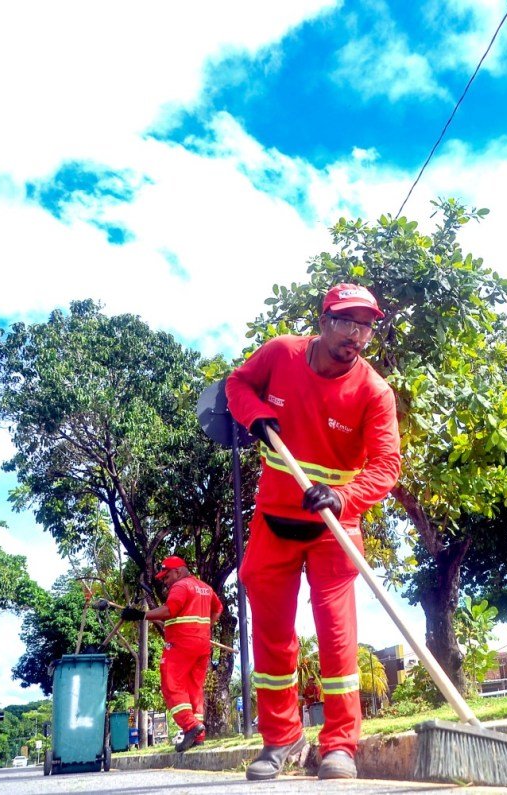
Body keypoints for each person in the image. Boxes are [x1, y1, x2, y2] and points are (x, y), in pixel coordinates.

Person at [226, 283, 401, 781]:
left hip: (333, 526)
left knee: (337, 636)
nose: (356, 334)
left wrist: (344, 496)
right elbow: (237, 385)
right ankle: (280, 739)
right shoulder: (281, 354)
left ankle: (339, 744)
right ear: (323, 321)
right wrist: (255, 415)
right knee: (273, 635)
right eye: (346, 321)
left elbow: (387, 464)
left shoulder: (373, 391)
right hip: (274, 520)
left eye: (365, 325)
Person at [121, 555, 223, 752]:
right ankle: (198, 735)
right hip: (202, 645)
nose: (165, 582)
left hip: (181, 644)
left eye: (166, 576)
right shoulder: (205, 588)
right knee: (194, 688)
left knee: (171, 684)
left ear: (177, 571)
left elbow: (171, 610)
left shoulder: (181, 586)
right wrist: (205, 627)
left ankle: (190, 725)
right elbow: (218, 609)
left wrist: (140, 615)